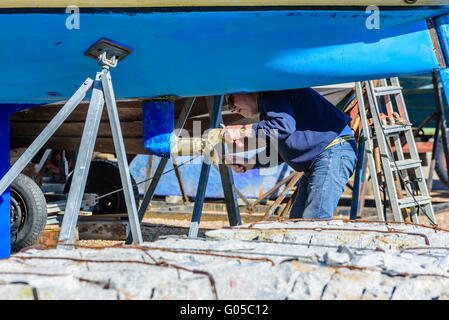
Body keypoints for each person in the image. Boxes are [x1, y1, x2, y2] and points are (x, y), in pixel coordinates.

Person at [220, 88, 358, 220]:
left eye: (231, 100)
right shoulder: (270, 105)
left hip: (332, 152)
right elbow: (280, 149)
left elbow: (283, 127)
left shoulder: (272, 92)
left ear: (248, 89)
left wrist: (243, 130)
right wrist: (249, 163)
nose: (232, 108)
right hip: (321, 157)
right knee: (297, 222)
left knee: (314, 222)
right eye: (229, 106)